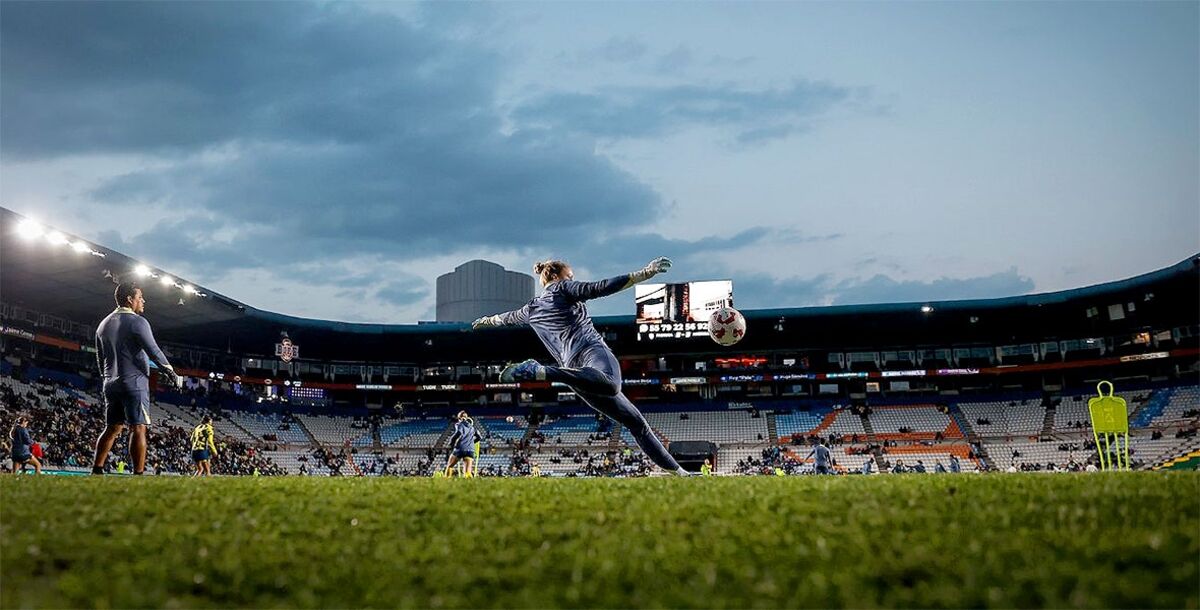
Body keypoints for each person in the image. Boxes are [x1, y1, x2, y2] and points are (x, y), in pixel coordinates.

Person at [472, 257, 688, 475]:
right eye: (570, 276)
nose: (572, 279)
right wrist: (643, 274)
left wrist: (488, 320)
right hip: (590, 353)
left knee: (636, 423)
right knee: (613, 386)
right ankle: (540, 371)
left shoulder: (531, 308)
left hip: (576, 375)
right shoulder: (562, 288)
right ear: (556, 277)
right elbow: (598, 288)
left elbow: (506, 318)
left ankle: (681, 474)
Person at [93, 281, 182, 475]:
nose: (143, 301)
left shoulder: (102, 324)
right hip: (134, 382)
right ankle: (139, 473)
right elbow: (154, 351)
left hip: (110, 383)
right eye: (140, 297)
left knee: (112, 427)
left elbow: (100, 358)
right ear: (130, 299)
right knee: (138, 427)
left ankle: (97, 469)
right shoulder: (138, 322)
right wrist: (171, 372)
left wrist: (106, 377)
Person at [444, 411, 477, 477]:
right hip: (470, 450)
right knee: (468, 471)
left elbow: (458, 433)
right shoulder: (472, 427)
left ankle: (446, 481)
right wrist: (472, 442)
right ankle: (469, 485)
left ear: (459, 418)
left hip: (460, 449)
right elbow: (479, 437)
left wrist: (452, 443)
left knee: (450, 466)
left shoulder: (459, 424)